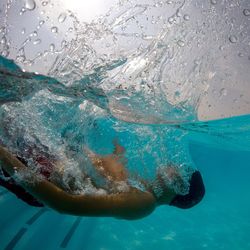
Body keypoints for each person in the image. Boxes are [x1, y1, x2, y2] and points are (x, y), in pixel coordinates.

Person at [0, 142, 205, 220]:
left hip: (37, 178)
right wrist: (113, 157)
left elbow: (62, 203)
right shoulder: (142, 186)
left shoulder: (145, 203)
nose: (172, 164)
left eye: (180, 169)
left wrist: (4, 156)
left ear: (181, 186)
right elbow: (96, 172)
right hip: (46, 166)